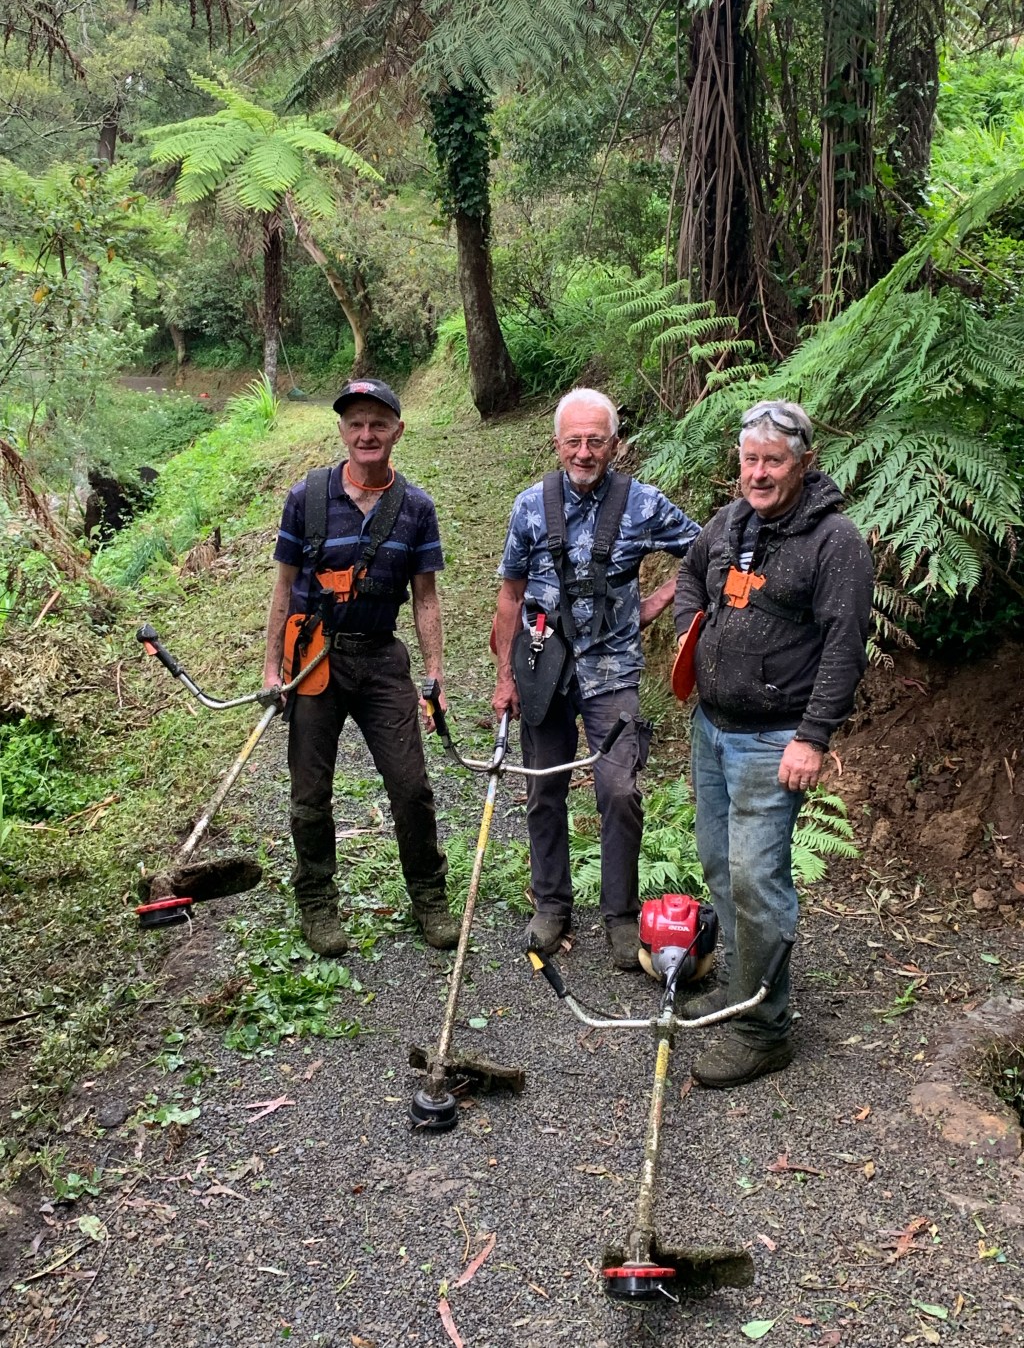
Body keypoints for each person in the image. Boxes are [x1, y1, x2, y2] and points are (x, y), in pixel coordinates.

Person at [674, 399, 873, 1088]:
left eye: (773, 461)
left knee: (759, 878)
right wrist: (686, 629)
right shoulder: (730, 523)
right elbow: (690, 574)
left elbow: (845, 648)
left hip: (775, 740)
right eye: (749, 459)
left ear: (805, 463)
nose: (758, 473)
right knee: (720, 867)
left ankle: (765, 1030)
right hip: (713, 730)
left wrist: (812, 738)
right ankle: (740, 986)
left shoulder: (836, 541)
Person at [492, 387, 701, 970]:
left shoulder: (643, 504)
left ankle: (620, 915)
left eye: (596, 440)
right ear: (557, 443)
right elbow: (510, 593)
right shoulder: (531, 506)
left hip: (613, 671)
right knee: (543, 789)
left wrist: (656, 602)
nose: (584, 452)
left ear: (616, 444)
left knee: (620, 791)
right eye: (574, 441)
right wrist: (505, 675)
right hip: (542, 666)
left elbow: (706, 551)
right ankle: (552, 905)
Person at [263, 378, 458, 956]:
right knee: (309, 792)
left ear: (398, 430)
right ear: (342, 431)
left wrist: (435, 676)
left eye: (378, 423)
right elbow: (282, 588)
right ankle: (318, 903)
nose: (366, 434)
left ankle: (429, 898)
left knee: (411, 787)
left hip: (380, 658)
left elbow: (425, 597)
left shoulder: (416, 508)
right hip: (314, 659)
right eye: (355, 424)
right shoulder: (308, 497)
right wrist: (272, 669)